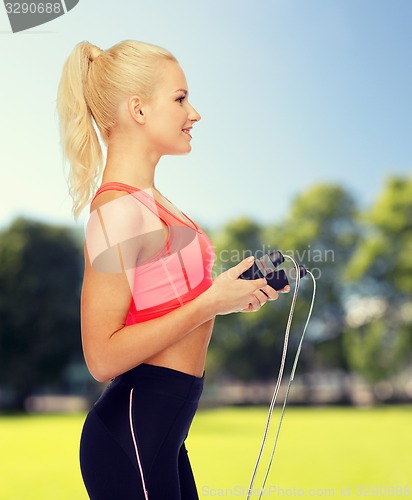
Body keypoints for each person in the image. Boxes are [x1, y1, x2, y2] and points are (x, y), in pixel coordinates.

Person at [56, 39, 285, 500]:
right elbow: (101, 357)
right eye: (180, 98)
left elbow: (171, 312)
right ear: (138, 109)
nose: (194, 113)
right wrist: (209, 303)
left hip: (161, 438)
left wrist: (228, 299)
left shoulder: (154, 204)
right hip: (131, 440)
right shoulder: (118, 210)